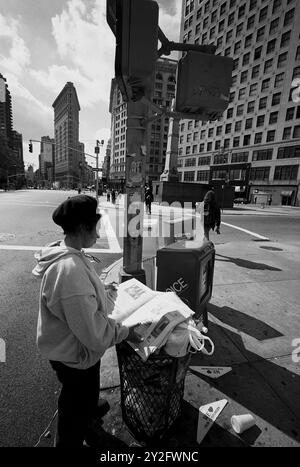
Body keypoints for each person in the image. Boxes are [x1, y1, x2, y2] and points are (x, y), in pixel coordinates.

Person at [32, 194, 141, 447]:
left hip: (71, 349)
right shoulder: (70, 271)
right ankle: (70, 439)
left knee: (87, 388)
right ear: (82, 228)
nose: (99, 234)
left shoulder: (71, 254)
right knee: (74, 401)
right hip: (73, 355)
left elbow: (82, 300)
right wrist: (126, 332)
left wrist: (103, 289)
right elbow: (94, 334)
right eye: (96, 226)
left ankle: (89, 410)